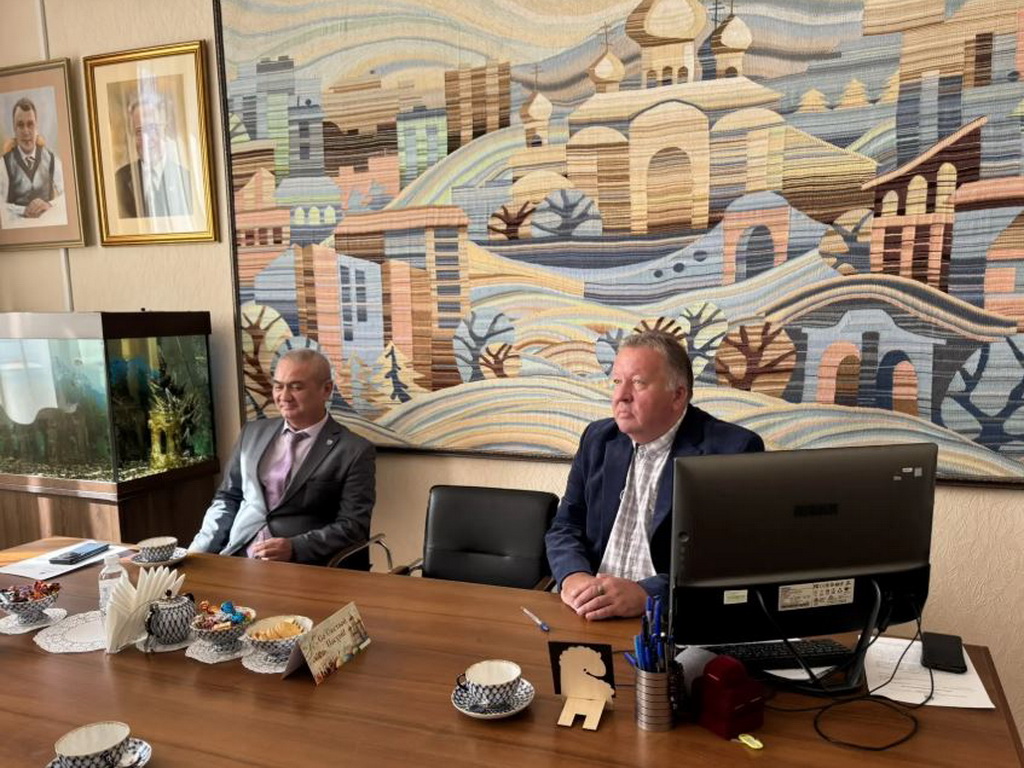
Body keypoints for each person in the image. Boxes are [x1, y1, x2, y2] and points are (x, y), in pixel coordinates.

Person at [545, 330, 764, 620]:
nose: (621, 396)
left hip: (670, 618)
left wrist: (647, 593)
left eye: (638, 383)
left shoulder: (731, 450)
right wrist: (573, 576)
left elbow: (732, 560)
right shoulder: (598, 439)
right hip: (589, 610)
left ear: (677, 396)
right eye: (617, 382)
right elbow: (566, 526)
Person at [189, 349, 376, 565]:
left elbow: (353, 526)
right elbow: (228, 498)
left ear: (326, 389)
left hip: (303, 565)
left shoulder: (354, 450)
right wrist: (197, 551)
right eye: (278, 386)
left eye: (296, 387)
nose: (284, 397)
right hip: (238, 555)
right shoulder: (252, 433)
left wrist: (295, 547)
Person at [114, 95, 193, 218]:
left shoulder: (185, 179)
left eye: (152, 129)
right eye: (139, 131)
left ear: (165, 130)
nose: (146, 139)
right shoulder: (120, 179)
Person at [0, 97, 65, 222]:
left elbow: (68, 197)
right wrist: (23, 210)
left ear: (37, 127)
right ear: (14, 129)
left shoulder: (52, 160)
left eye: (30, 124)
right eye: (20, 125)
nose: (26, 131)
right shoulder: (3, 164)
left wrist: (49, 205)